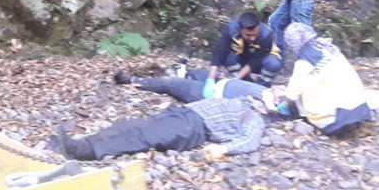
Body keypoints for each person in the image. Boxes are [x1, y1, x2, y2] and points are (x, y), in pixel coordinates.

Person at [55, 97, 265, 160]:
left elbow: (250, 141)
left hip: (194, 127)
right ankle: (78, 143)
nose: (276, 89)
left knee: (142, 136)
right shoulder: (243, 98)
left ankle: (83, 151)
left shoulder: (255, 117)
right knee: (128, 126)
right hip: (180, 113)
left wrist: (224, 149)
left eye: (280, 92)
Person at [277, 23, 370, 135]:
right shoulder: (328, 47)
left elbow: (293, 91)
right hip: (359, 109)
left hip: (334, 120)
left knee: (302, 87)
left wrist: (284, 103)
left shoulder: (305, 58)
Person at [203, 11, 283, 93]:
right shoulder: (231, 30)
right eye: (248, 35)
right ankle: (245, 82)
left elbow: (255, 62)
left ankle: (262, 86)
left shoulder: (267, 35)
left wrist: (236, 79)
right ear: (240, 30)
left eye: (255, 34)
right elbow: (219, 52)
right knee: (227, 57)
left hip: (260, 63)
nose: (253, 38)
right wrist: (210, 80)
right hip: (243, 58)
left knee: (273, 63)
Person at [113, 69, 268, 103]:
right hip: (220, 82)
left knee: (171, 83)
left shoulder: (267, 103)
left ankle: (134, 80)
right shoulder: (270, 93)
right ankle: (184, 71)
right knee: (194, 72)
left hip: (209, 95)